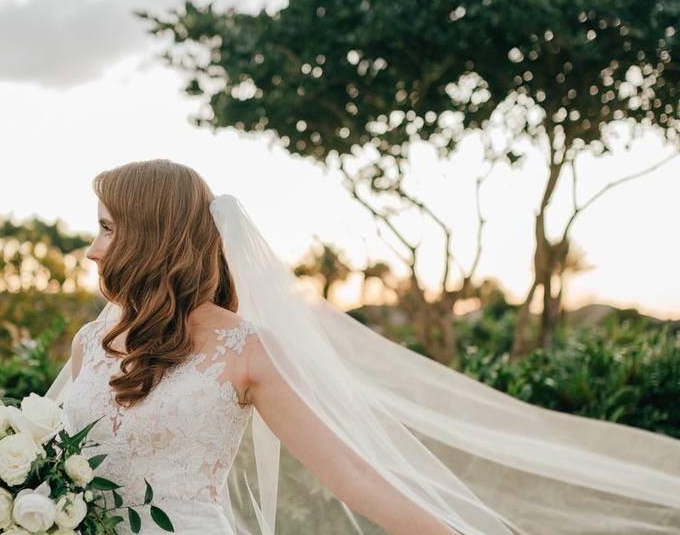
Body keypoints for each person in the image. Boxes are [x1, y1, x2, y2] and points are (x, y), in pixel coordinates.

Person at [46, 159, 680, 535]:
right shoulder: (90, 342)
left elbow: (351, 474)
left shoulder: (247, 350)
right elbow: (52, 456)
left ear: (153, 237)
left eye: (106, 228)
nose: (94, 249)